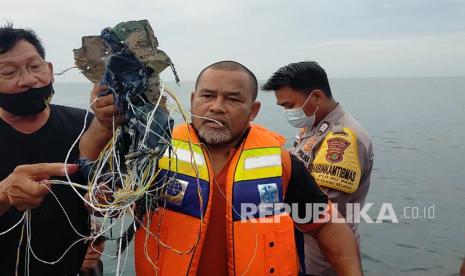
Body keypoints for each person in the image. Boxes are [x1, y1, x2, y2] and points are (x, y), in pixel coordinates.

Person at [133, 60, 363, 275]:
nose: (217, 107)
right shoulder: (152, 153)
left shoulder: (282, 164)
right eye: (207, 96)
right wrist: (104, 127)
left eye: (233, 99)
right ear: (193, 100)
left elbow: (326, 225)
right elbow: (103, 200)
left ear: (253, 110)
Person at [0, 23, 117, 275]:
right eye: (9, 72)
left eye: (35, 66)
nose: (29, 80)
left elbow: (109, 195)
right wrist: (4, 195)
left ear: (51, 70)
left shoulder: (86, 123)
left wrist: (106, 205)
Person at [263, 61, 374, 275]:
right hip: (300, 249)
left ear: (315, 97)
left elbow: (320, 208)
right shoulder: (313, 126)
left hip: (320, 260)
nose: (287, 112)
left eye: (289, 105)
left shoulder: (343, 139)